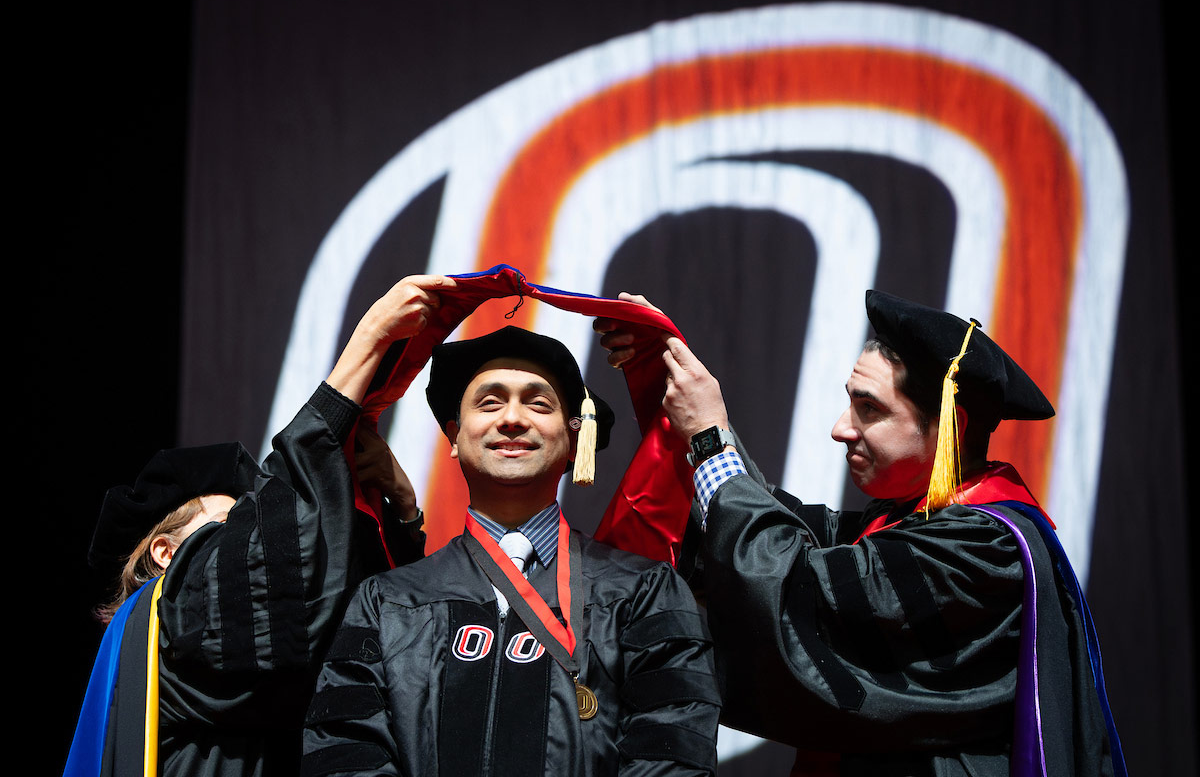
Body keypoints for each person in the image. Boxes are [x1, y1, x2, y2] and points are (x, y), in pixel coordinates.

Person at [595, 290, 1124, 777]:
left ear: (951, 427)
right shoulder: (904, 526)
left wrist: (711, 440)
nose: (840, 427)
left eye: (869, 408)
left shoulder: (983, 551)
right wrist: (668, 382)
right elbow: (780, 530)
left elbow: (787, 581)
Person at [66, 275, 455, 777]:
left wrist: (401, 513)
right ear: (166, 553)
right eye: (231, 521)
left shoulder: (238, 654)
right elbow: (277, 568)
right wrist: (368, 342)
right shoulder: (175, 619)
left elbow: (363, 621)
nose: (256, 527)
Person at [302, 326, 721, 776]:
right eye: (489, 402)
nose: (512, 419)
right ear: (454, 438)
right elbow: (345, 751)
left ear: (573, 439)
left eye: (538, 403)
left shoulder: (645, 593)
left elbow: (673, 753)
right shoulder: (386, 602)